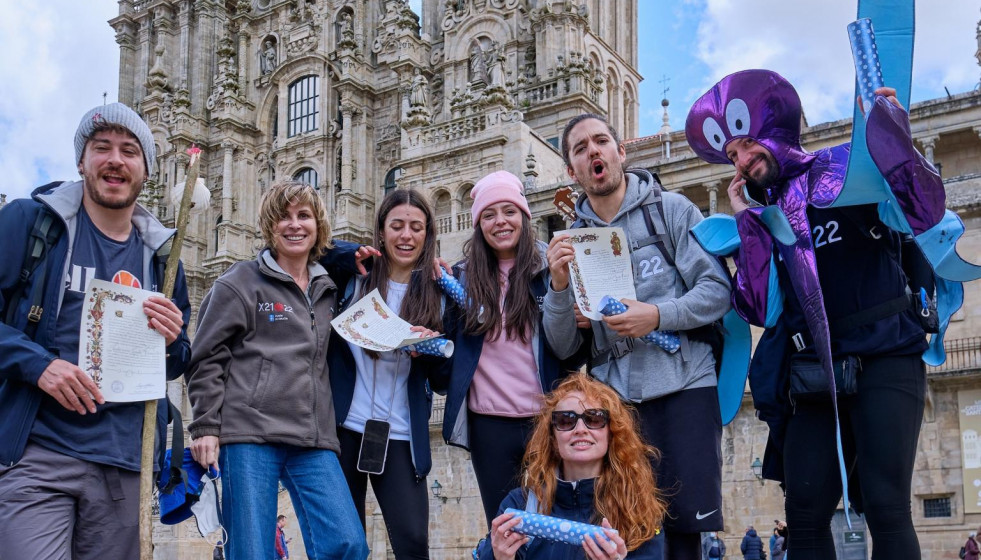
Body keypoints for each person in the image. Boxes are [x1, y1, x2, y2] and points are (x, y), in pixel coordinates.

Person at [685, 70, 940, 560]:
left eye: (746, 143)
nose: (742, 160)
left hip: (887, 354)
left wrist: (892, 139)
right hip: (814, 374)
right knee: (803, 513)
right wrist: (747, 221)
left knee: (887, 508)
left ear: (774, 125)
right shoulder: (764, 213)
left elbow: (924, 212)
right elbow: (759, 308)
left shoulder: (844, 166)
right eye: (731, 155)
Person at [0, 103, 191, 558]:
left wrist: (170, 340)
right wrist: (39, 366)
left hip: (124, 466)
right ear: (81, 161)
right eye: (102, 147)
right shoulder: (30, 223)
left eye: (130, 151)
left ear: (146, 169)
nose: (115, 160)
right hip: (38, 454)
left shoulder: (164, 259)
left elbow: (177, 360)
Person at [544, 113, 731, 560]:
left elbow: (717, 291)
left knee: (685, 530)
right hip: (616, 399)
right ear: (572, 171)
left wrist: (656, 315)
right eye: (580, 148)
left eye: (601, 141)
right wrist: (558, 286)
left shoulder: (672, 210)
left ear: (620, 152)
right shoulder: (572, 241)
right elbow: (563, 346)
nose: (593, 151)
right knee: (623, 524)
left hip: (686, 384)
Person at [187, 181, 370, 560]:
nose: (294, 225)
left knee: (348, 542)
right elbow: (206, 357)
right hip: (250, 435)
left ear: (318, 225)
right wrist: (204, 426)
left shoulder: (328, 287)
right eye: (283, 217)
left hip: (313, 438)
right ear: (270, 226)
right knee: (252, 551)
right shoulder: (239, 282)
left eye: (304, 216)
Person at [441, 170, 584, 527]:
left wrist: (561, 288)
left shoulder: (551, 268)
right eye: (488, 214)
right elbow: (447, 349)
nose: (500, 221)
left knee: (554, 526)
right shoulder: (460, 278)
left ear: (524, 216)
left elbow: (568, 349)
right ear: (478, 225)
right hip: (489, 425)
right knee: (505, 526)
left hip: (546, 420)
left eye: (509, 211)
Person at [329, 188, 445, 559]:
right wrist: (351, 252)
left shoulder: (438, 293)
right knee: (345, 544)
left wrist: (431, 350)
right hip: (344, 428)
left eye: (416, 227)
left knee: (413, 541)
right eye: (396, 226)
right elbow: (313, 248)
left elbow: (444, 380)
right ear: (381, 231)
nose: (406, 236)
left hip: (399, 433)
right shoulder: (353, 280)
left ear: (427, 235)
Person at [474, 372, 666, 559]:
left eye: (594, 419)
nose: (580, 429)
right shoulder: (520, 506)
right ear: (553, 438)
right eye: (566, 420)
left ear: (611, 433)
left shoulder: (638, 510)